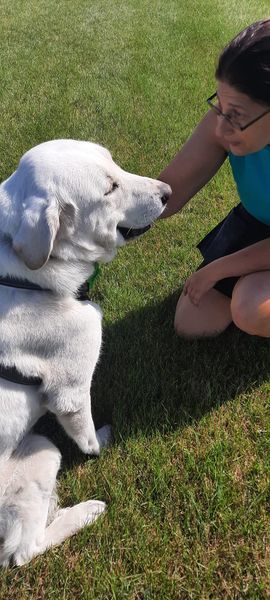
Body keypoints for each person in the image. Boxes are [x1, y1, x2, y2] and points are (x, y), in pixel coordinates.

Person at [159, 19, 270, 339]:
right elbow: (169, 194)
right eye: (219, 106)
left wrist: (221, 268)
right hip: (256, 222)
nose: (220, 129)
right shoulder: (226, 120)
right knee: (193, 322)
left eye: (235, 115)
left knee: (250, 308)